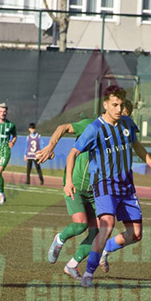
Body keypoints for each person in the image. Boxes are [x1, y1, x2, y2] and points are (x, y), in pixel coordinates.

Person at [64, 86, 151, 287]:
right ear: (106, 105)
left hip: (126, 185)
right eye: (114, 105)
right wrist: (68, 181)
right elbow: (73, 153)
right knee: (107, 225)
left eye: (121, 105)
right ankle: (88, 274)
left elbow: (136, 145)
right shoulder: (95, 128)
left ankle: (105, 250)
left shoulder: (127, 123)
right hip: (104, 183)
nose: (118, 109)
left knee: (136, 234)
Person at [39, 100, 136, 280]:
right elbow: (62, 127)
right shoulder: (91, 126)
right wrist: (50, 147)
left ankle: (72, 265)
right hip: (75, 185)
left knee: (98, 232)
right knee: (80, 224)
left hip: (97, 191)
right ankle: (60, 238)